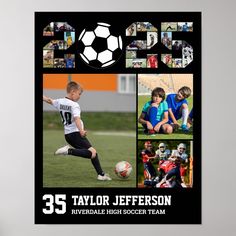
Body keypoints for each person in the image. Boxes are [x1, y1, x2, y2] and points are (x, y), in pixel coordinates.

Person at [43, 81, 111, 181]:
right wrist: (81, 130)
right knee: (92, 153)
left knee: (93, 153)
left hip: (68, 135)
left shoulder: (60, 101)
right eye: (79, 94)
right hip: (75, 134)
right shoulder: (74, 105)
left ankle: (101, 175)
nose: (79, 96)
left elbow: (49, 100)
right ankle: (68, 151)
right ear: (73, 92)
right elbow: (76, 118)